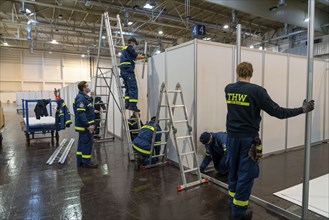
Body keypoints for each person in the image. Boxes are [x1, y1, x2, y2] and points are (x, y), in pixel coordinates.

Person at [225, 62, 314, 220]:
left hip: (231, 138)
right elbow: (278, 112)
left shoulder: (229, 89)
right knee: (246, 174)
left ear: (237, 72)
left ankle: (232, 201)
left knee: (233, 170)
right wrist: (302, 109)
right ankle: (239, 212)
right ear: (251, 73)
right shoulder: (257, 91)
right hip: (248, 140)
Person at [73, 81, 98, 168]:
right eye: (87, 86)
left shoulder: (83, 97)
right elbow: (81, 113)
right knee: (87, 144)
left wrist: (91, 96)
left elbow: (87, 106)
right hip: (85, 127)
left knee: (82, 143)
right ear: (83, 88)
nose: (89, 87)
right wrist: (88, 126)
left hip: (83, 126)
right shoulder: (81, 98)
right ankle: (87, 162)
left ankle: (80, 161)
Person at [120, 37, 145, 112]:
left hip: (123, 70)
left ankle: (127, 104)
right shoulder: (130, 47)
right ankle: (133, 105)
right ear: (132, 42)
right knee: (133, 87)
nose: (134, 45)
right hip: (128, 70)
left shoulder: (124, 49)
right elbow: (136, 56)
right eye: (134, 44)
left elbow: (132, 57)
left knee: (128, 87)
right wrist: (145, 56)